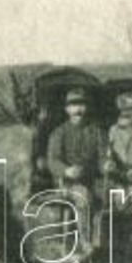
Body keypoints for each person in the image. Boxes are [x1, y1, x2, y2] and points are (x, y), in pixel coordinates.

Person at [44, 88, 106, 253]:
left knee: (109, 196)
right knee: (83, 196)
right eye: (73, 106)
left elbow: (102, 159)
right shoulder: (59, 133)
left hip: (91, 181)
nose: (78, 110)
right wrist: (66, 170)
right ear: (67, 110)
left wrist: (107, 165)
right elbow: (52, 160)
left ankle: (100, 243)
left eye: (81, 105)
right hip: (66, 184)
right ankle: (83, 243)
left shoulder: (96, 132)